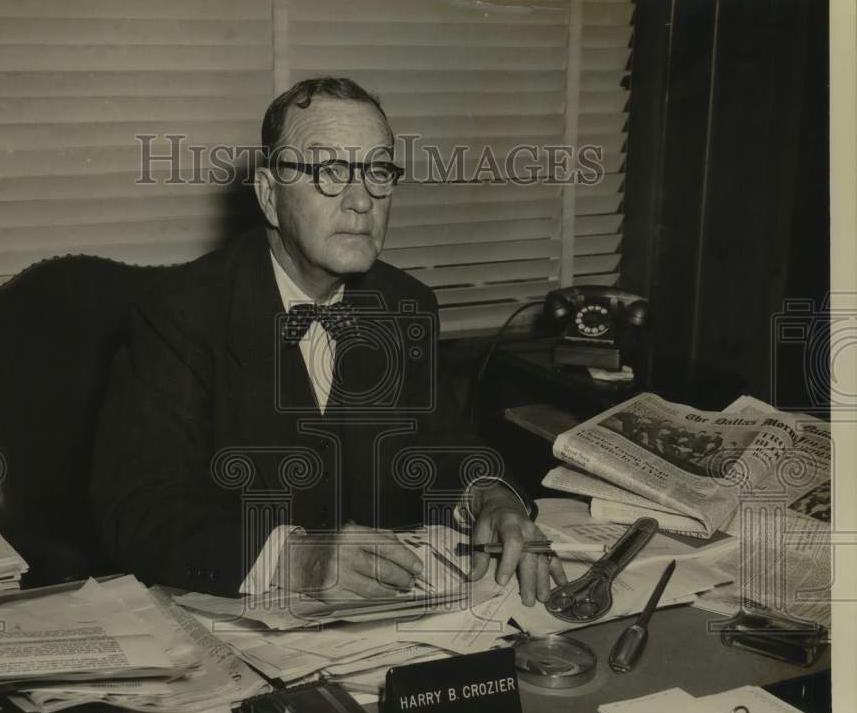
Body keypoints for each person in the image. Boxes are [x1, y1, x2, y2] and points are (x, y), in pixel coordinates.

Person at [90, 77, 566, 606]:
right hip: (232, 612)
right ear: (270, 196)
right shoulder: (179, 310)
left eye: (378, 171)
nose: (362, 201)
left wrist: (491, 496)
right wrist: (293, 558)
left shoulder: (404, 304)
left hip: (380, 622)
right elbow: (135, 511)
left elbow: (441, 447)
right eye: (330, 171)